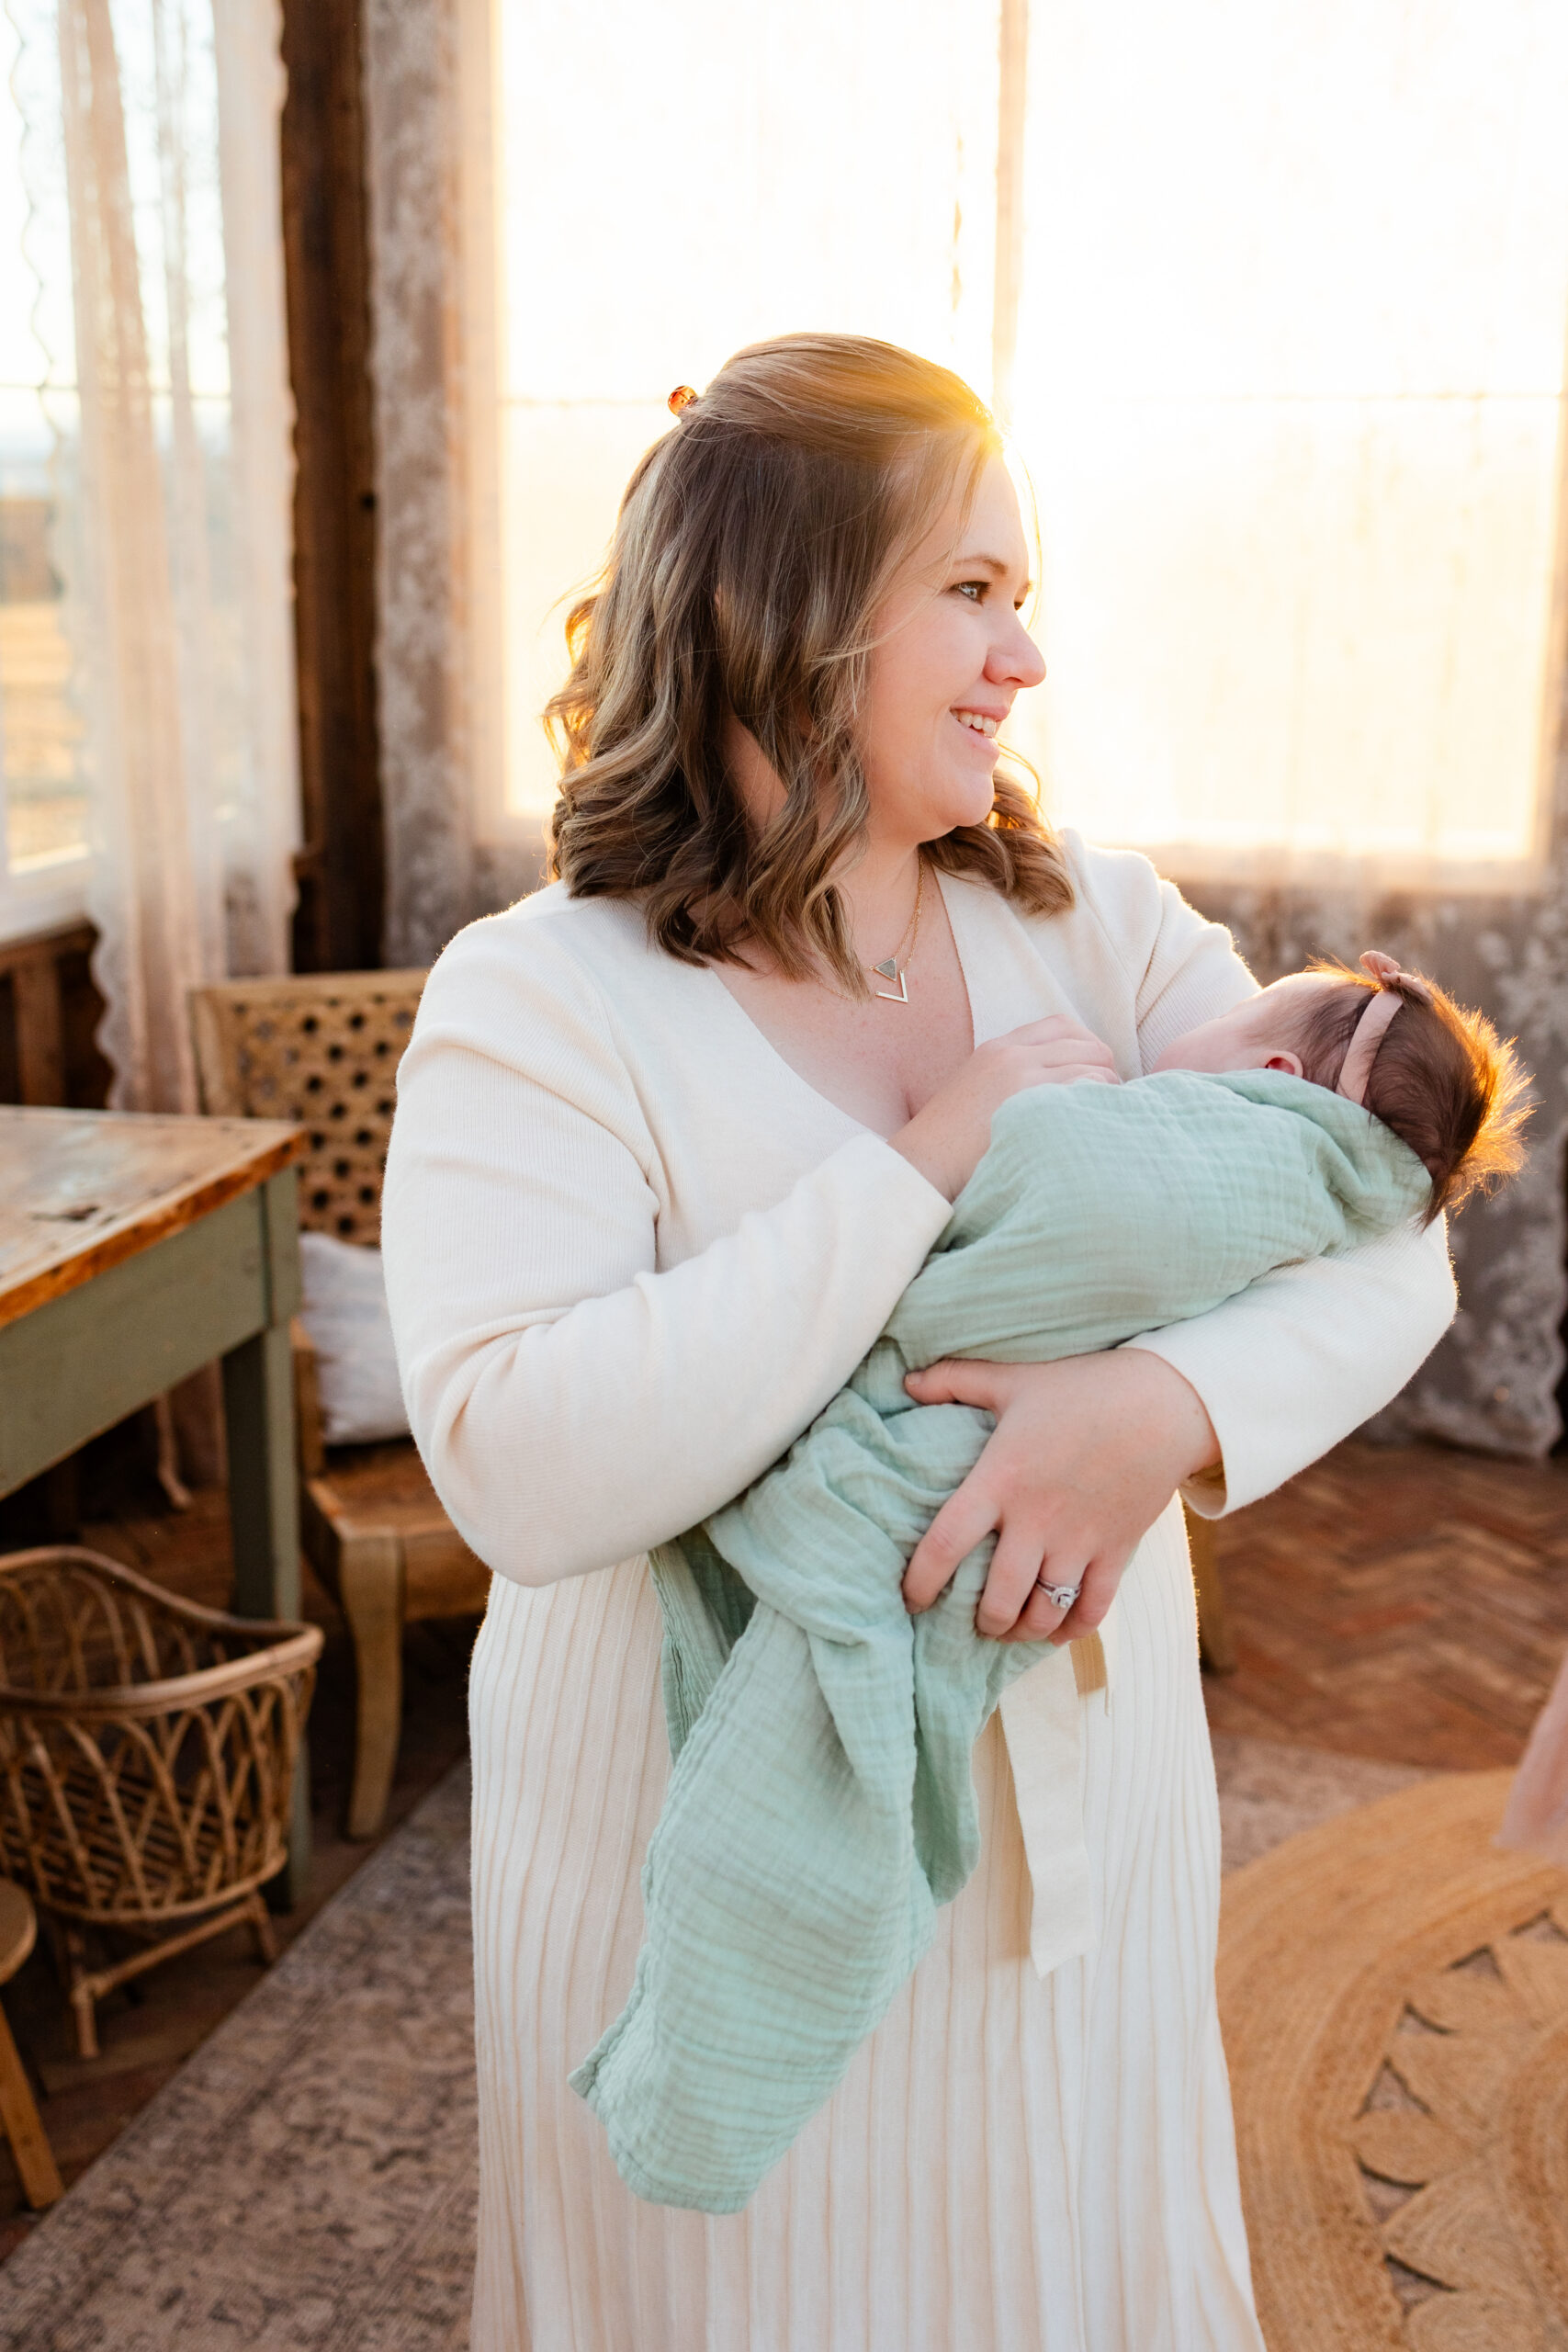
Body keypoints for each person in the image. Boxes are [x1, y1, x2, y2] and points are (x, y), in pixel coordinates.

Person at [381, 334, 1458, 2352]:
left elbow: (1390, 1220)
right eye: (970, 589)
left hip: (1084, 1838)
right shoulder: (538, 1001)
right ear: (782, 613)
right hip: (688, 1848)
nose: (1022, 658)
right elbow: (520, 1463)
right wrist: (918, 1164)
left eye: (1021, 595)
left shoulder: (1095, 925)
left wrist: (1152, 1411)